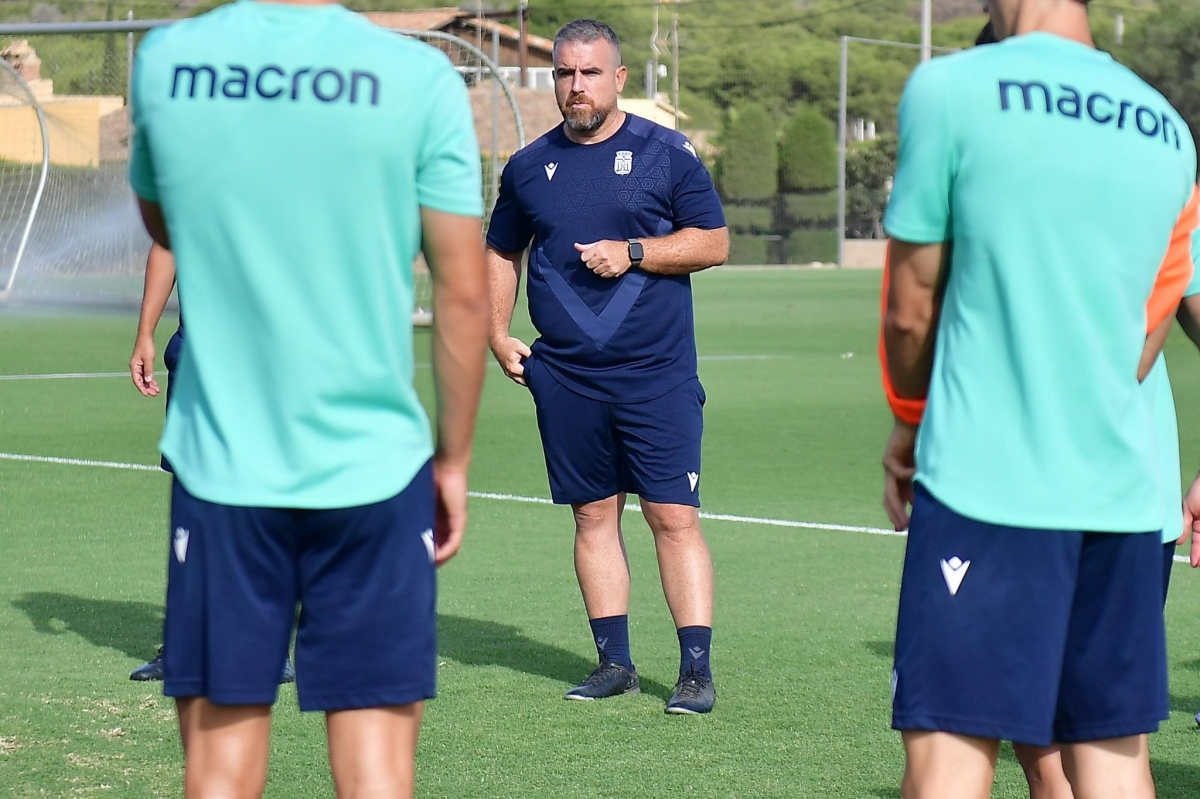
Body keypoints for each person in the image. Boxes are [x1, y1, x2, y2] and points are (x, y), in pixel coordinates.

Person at [128, 1, 489, 796]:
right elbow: (465, 297)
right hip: (375, 470)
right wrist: (453, 459)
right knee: (379, 776)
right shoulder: (419, 75)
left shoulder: (166, 60)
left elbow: (166, 220)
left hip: (223, 470)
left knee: (218, 771)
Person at [878, 0, 1198, 796]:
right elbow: (1148, 336)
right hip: (1125, 494)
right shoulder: (1167, 128)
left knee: (952, 747)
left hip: (989, 479)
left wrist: (908, 426)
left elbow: (909, 308)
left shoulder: (951, 87)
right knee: (1112, 756)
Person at [485, 18, 728, 714]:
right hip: (564, 375)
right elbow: (501, 249)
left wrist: (636, 252)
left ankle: (694, 671)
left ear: (619, 78)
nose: (575, 86)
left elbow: (712, 242)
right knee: (593, 516)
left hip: (656, 373)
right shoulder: (529, 166)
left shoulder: (666, 153)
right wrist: (498, 332)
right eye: (564, 73)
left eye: (589, 72)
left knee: (672, 515)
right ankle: (614, 663)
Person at [127, 243, 294, 685]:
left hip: (265, 357)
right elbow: (168, 241)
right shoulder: (189, 175)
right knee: (194, 505)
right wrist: (146, 330)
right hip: (196, 356)